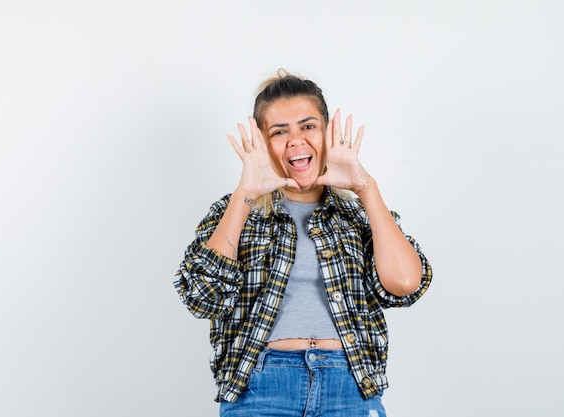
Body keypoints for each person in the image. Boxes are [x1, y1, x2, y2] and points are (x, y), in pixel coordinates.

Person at [173, 69, 433, 417]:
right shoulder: (234, 211)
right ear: (263, 144)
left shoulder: (357, 215)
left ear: (327, 134)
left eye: (307, 126)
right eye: (279, 132)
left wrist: (365, 187)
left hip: (350, 386)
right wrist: (245, 193)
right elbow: (203, 296)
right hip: (262, 388)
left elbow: (404, 284)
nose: (295, 140)